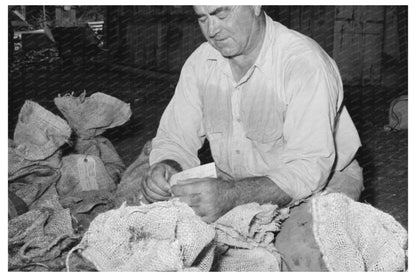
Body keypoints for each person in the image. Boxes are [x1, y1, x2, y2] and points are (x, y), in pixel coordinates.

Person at [142, 6, 364, 270]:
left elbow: (308, 170)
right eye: (203, 18)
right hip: (235, 180)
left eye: (222, 15)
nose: (212, 30)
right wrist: (168, 167)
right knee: (158, 238)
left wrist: (232, 196)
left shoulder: (303, 62)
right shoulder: (201, 62)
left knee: (301, 253)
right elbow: (175, 139)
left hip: (322, 180)